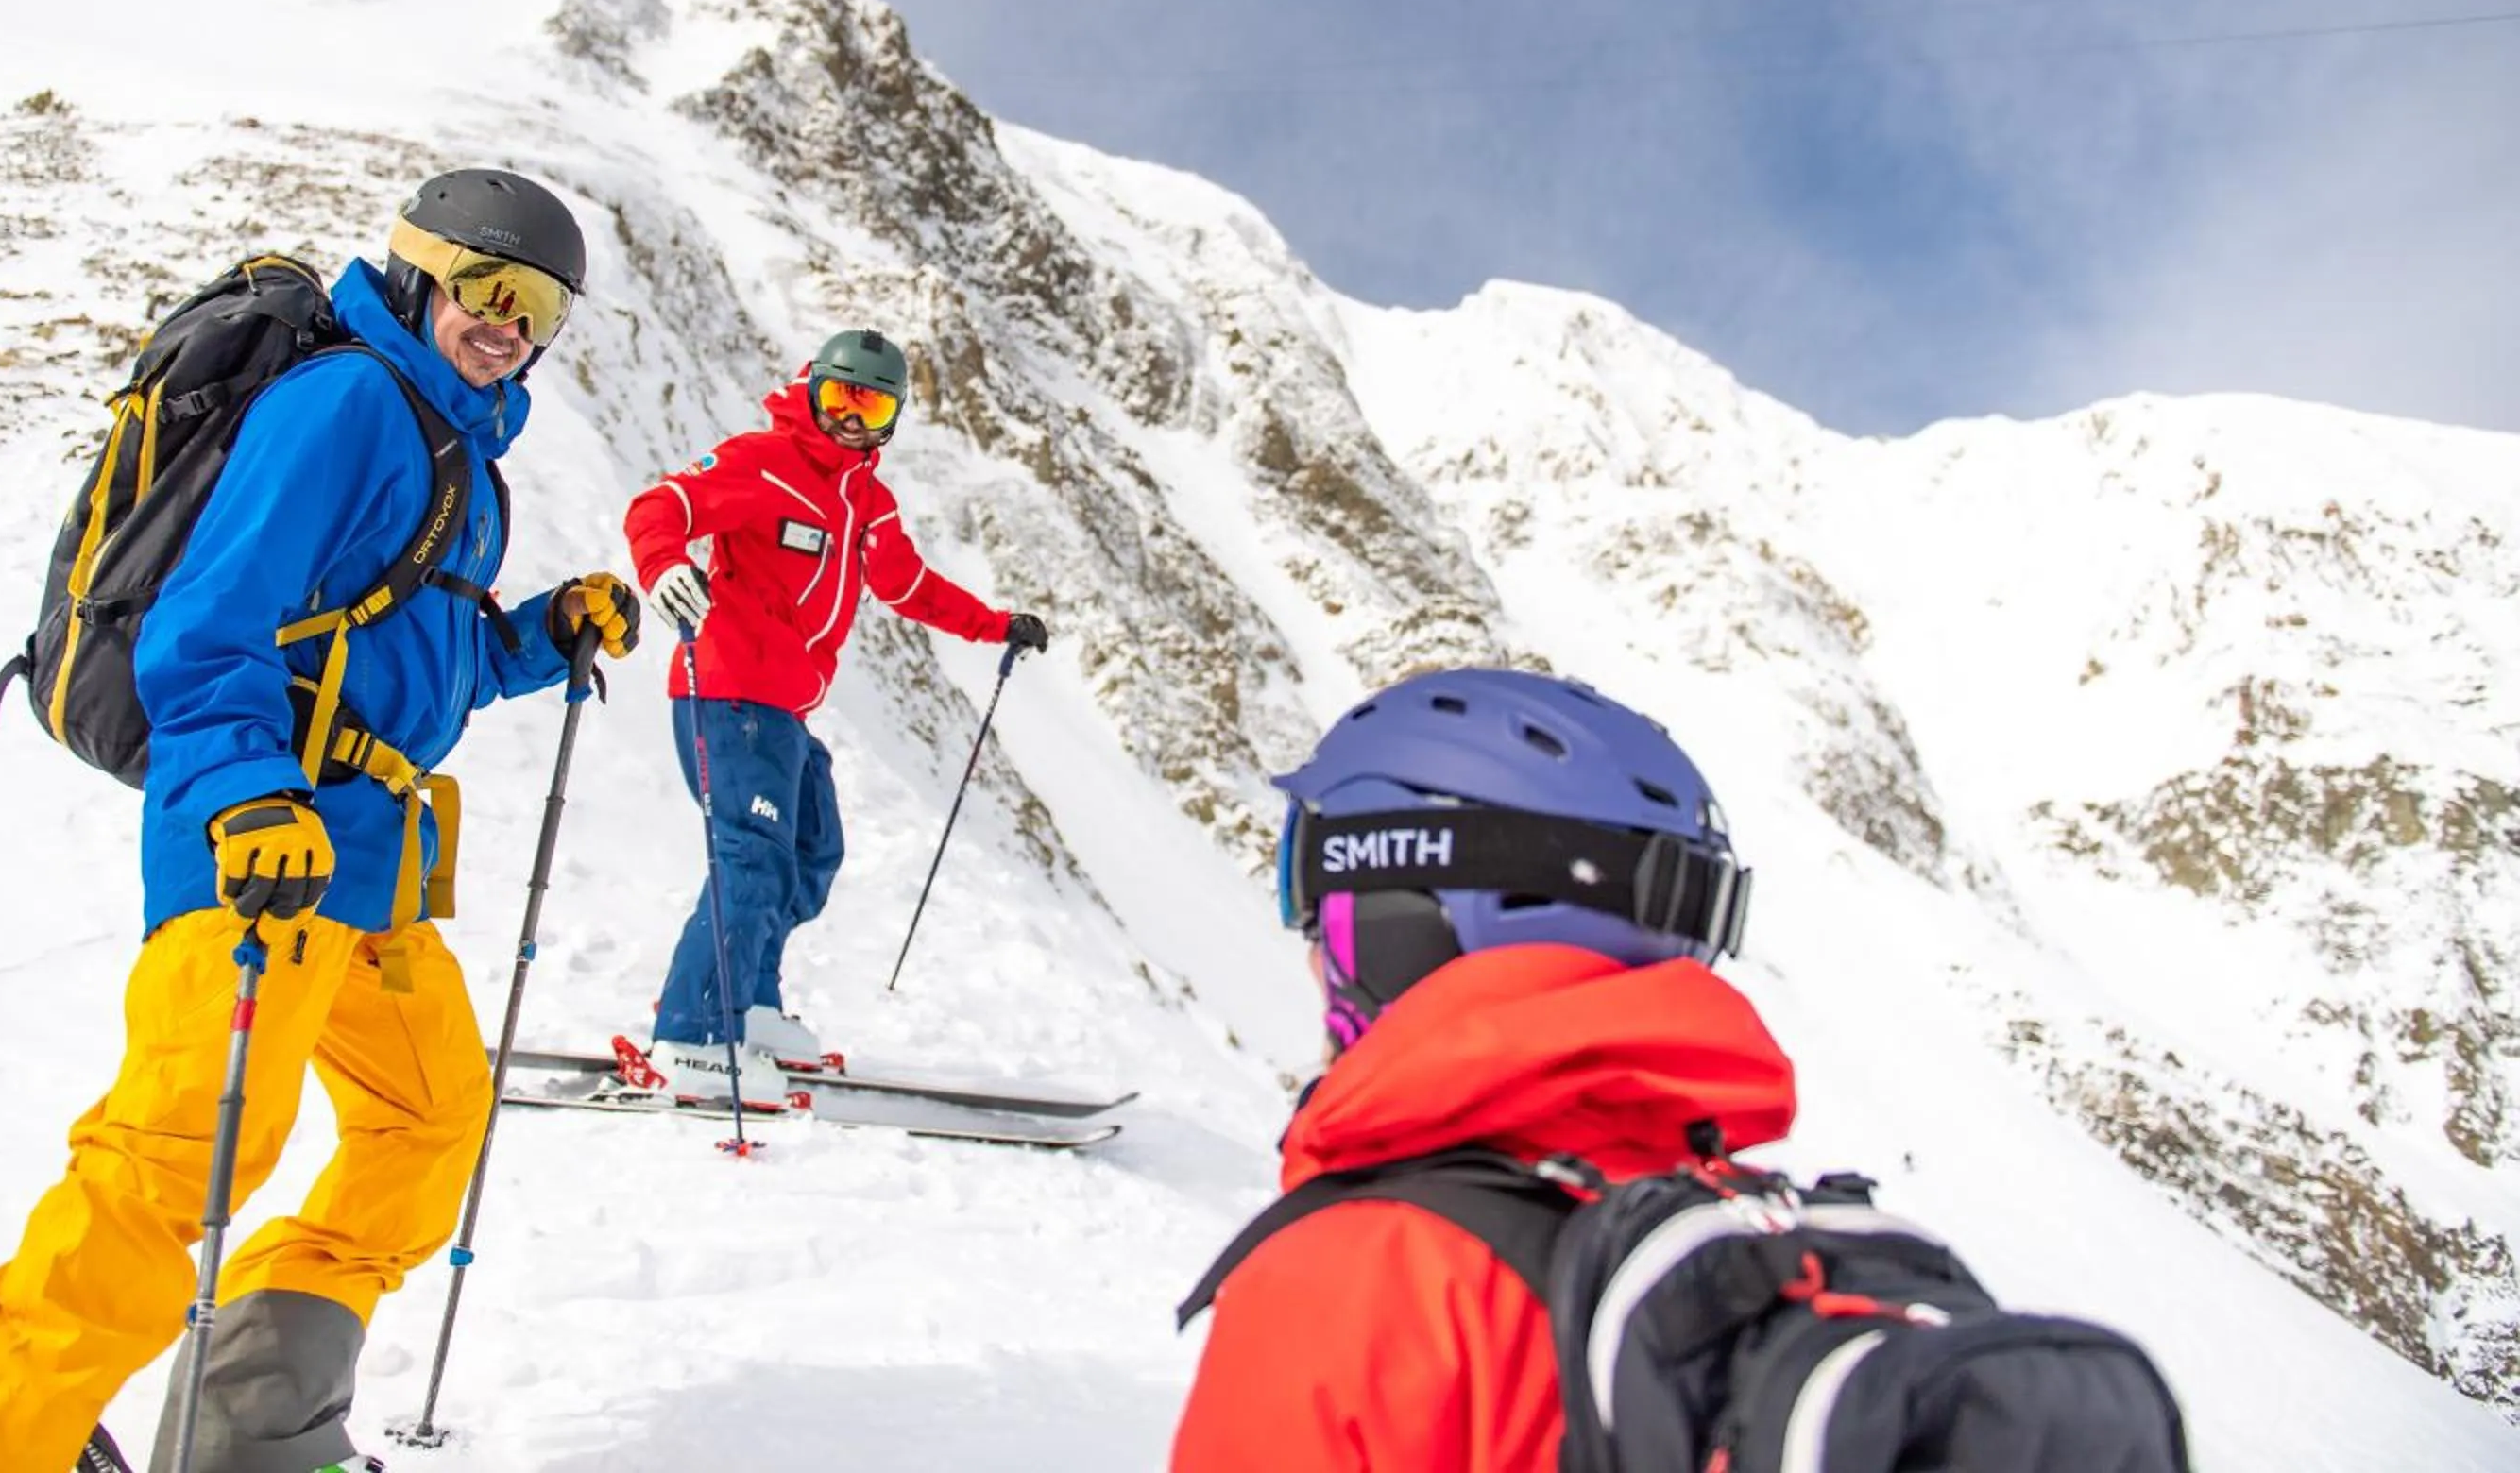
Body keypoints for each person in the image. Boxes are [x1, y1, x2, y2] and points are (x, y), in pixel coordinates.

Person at [0, 170, 639, 1473]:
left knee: (430, 1121)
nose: (508, 323)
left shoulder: (458, 449)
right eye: (488, 288)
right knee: (165, 1175)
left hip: (372, 875)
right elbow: (205, 625)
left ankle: (253, 1428)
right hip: (261, 856)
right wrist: (243, 797)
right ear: (416, 274)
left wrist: (536, 638)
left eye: (539, 306)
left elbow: (411, 663)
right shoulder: (343, 405)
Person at [1169, 667, 1789, 1471]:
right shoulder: (1752, 1243)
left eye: (1313, 902)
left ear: (1405, 927)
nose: (1311, 954)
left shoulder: (1359, 1283)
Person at [622, 326, 1047, 1104]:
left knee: (809, 856)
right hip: (726, 692)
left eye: (873, 403)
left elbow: (906, 584)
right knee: (750, 858)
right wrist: (665, 567)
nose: (853, 417)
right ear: (812, 388)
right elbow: (662, 507)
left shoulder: (866, 502)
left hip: (785, 710)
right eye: (841, 396)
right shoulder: (763, 462)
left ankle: (749, 1004)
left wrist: (995, 625)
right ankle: (691, 1034)